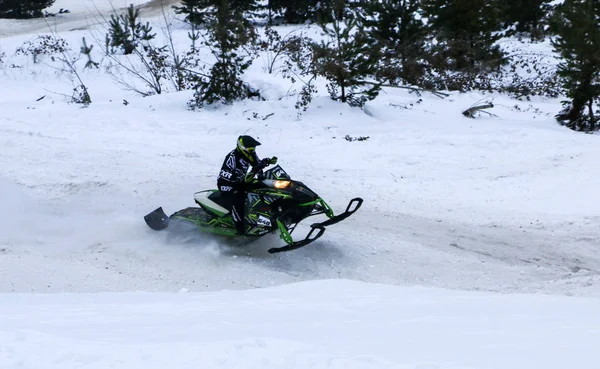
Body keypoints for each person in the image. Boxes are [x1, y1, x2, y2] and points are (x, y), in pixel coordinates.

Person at [217, 135, 277, 235]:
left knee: (262, 188)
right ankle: (240, 228)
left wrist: (262, 171)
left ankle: (266, 216)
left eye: (253, 147)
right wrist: (238, 178)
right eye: (250, 147)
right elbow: (224, 173)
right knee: (239, 197)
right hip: (227, 184)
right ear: (242, 147)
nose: (252, 149)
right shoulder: (232, 157)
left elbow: (256, 165)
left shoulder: (251, 154)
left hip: (242, 182)